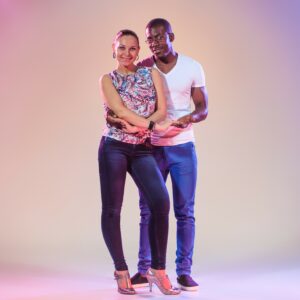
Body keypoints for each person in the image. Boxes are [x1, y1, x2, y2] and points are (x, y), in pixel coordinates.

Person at [128, 18, 209, 291]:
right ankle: (144, 270)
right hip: (150, 148)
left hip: (183, 147)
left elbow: (203, 108)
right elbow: (134, 103)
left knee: (185, 211)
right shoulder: (143, 68)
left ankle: (184, 272)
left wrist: (189, 118)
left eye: (160, 37)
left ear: (171, 35)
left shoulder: (192, 66)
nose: (154, 43)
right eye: (150, 39)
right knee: (147, 210)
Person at [98, 29, 180, 295]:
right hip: (114, 147)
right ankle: (121, 271)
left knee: (160, 201)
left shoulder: (151, 73)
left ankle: (158, 271)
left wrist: (145, 129)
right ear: (114, 50)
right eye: (121, 48)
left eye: (132, 48)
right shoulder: (107, 80)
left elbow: (162, 109)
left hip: (142, 149)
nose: (127, 53)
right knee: (113, 209)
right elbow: (119, 110)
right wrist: (153, 126)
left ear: (138, 51)